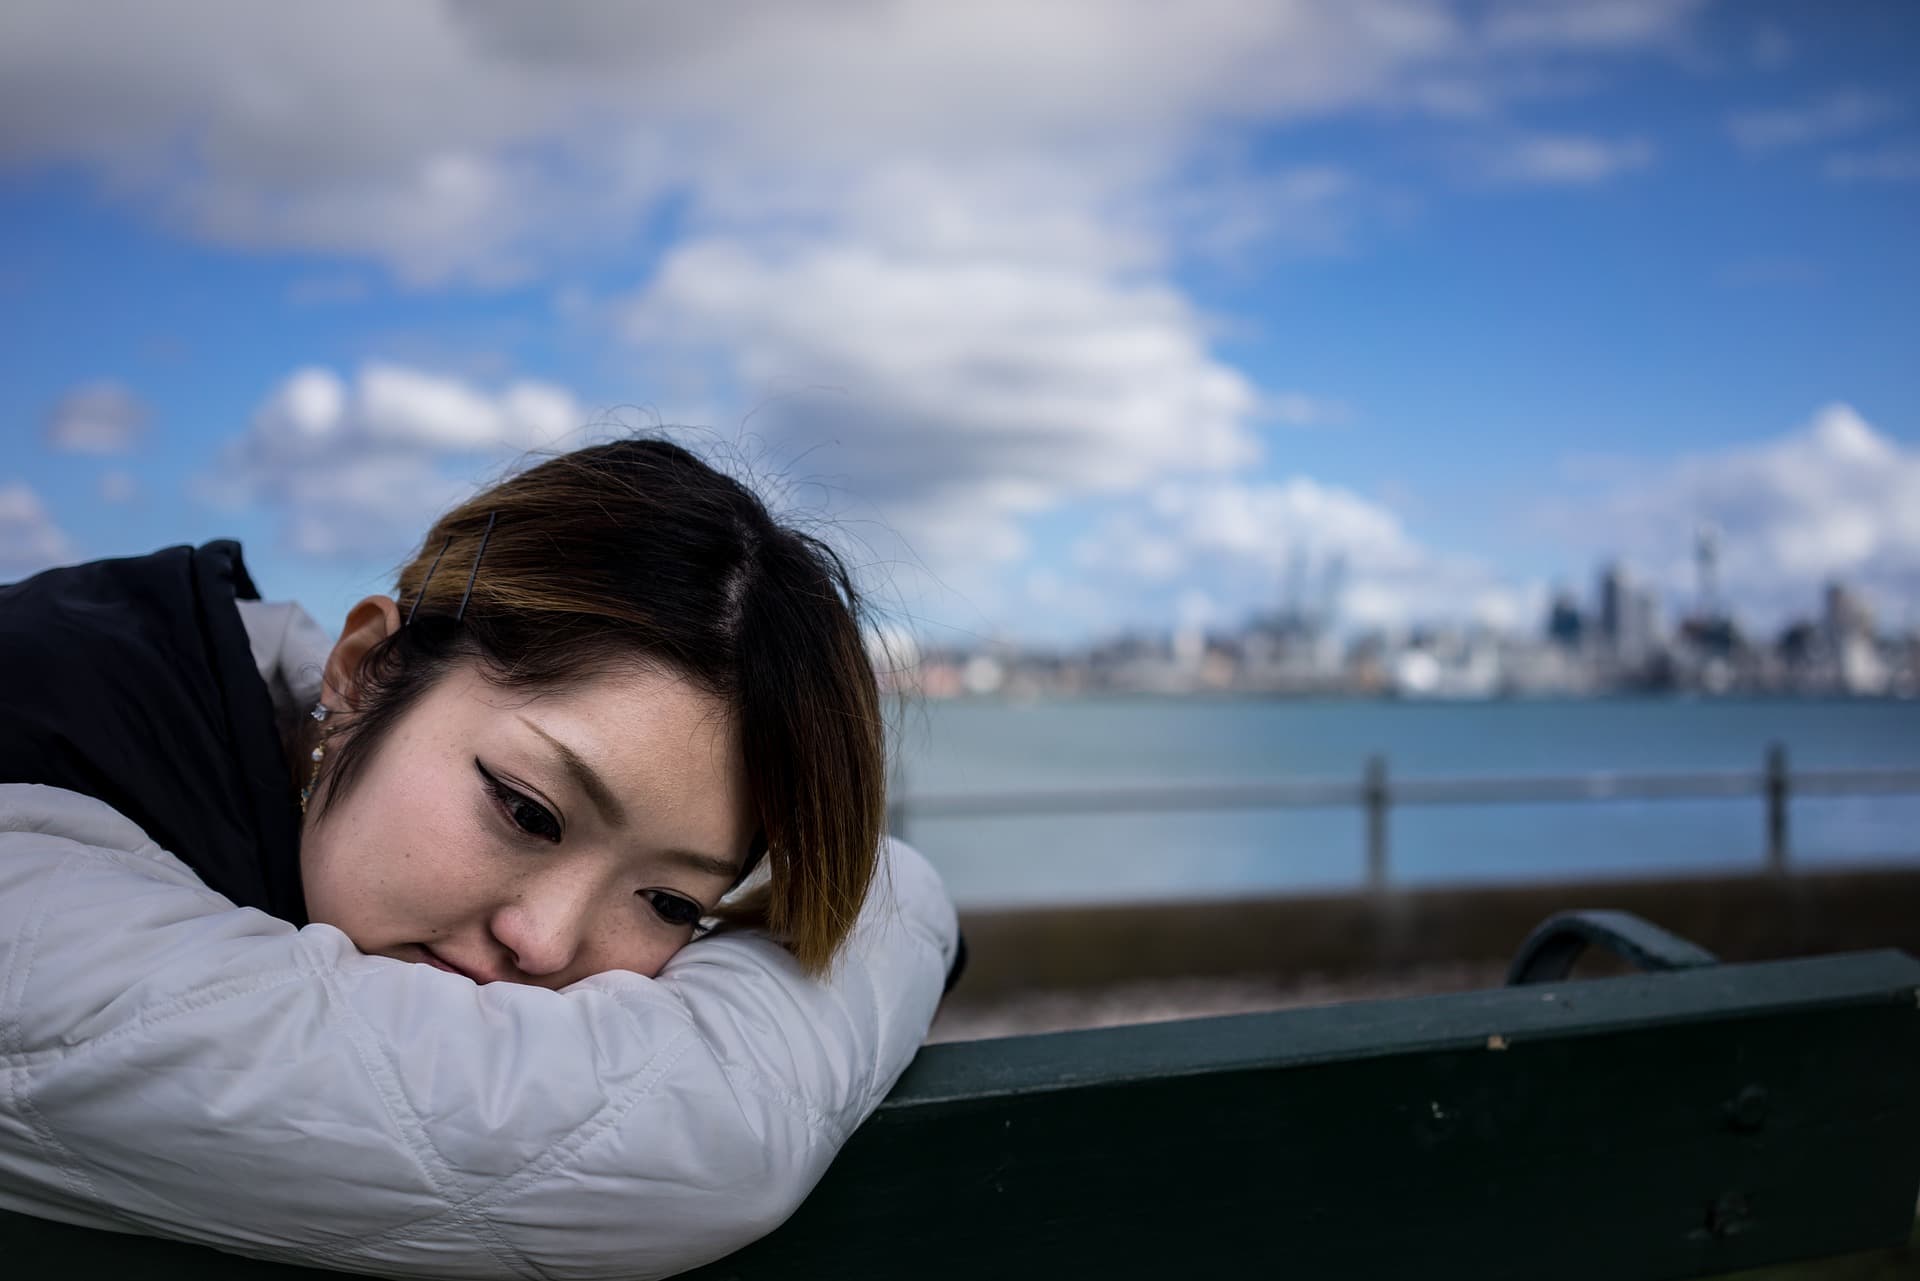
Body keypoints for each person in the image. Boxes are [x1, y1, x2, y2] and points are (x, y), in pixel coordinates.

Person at [0, 438, 960, 1279]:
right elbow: (691, 1144)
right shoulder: (35, 778)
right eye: (528, 811)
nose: (542, 941)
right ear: (364, 668)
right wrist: (898, 899)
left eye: (669, 901)